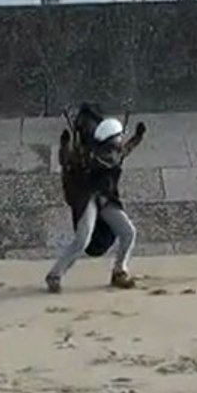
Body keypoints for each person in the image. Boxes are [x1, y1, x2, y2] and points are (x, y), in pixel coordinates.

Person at [46, 109, 146, 294]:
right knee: (82, 239)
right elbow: (66, 161)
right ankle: (55, 275)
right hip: (88, 199)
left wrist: (138, 137)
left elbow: (127, 149)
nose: (121, 141)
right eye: (118, 137)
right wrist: (65, 145)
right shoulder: (86, 156)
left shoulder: (115, 153)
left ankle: (119, 270)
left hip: (106, 199)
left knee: (128, 231)